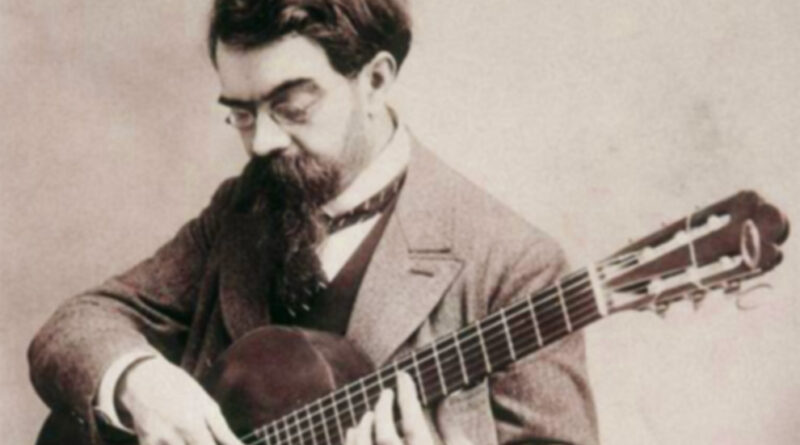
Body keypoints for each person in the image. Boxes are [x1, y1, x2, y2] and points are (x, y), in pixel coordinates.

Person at [28, 0, 599, 444]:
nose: (262, 142)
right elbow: (76, 325)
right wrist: (138, 382)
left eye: (292, 108)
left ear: (375, 80)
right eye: (242, 114)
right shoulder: (242, 209)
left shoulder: (513, 265)